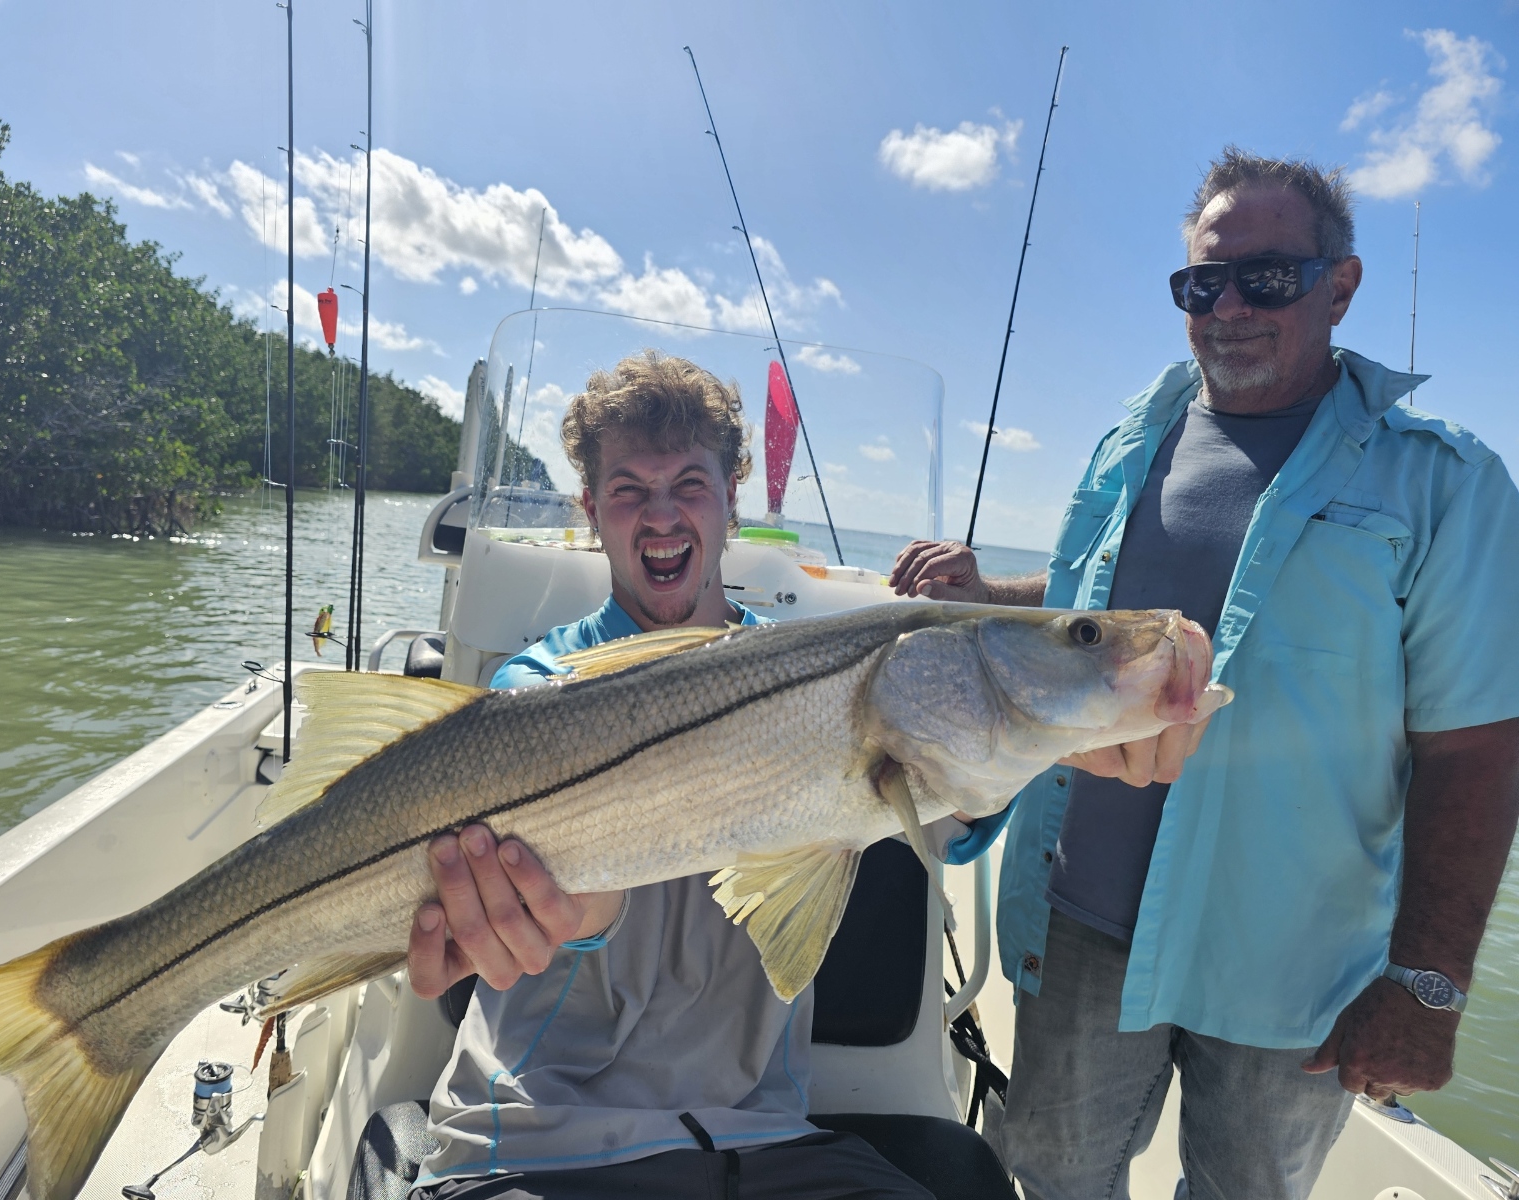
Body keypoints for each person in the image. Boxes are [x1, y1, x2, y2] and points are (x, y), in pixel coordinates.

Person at [891, 148, 1519, 1199]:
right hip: (1081, 923)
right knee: (1046, 1179)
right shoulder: (1130, 439)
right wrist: (983, 595)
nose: (1226, 305)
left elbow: (1473, 753)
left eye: (1264, 277)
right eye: (1200, 283)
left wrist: (1425, 986)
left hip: (1292, 960)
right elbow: (1094, 604)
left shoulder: (1443, 482)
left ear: (1341, 285)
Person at [393, 351, 989, 1200]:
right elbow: (567, 902)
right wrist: (570, 909)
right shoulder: (535, 691)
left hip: (769, 1143)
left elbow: (954, 816)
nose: (661, 516)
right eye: (629, 489)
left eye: (690, 485)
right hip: (540, 1138)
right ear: (591, 510)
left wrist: (1044, 740)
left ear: (732, 497)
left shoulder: (824, 685)